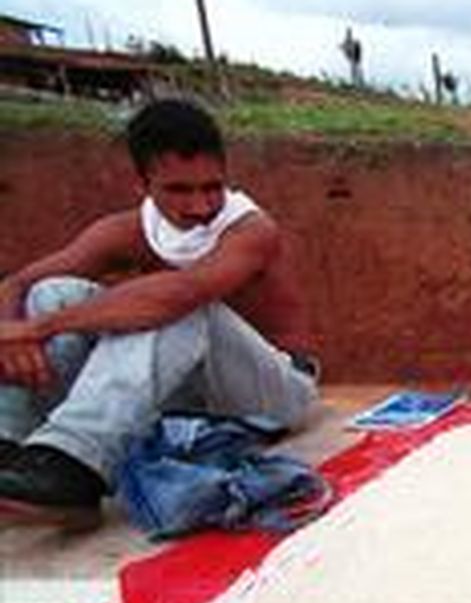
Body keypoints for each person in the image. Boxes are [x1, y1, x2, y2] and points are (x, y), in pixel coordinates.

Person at [0, 98, 318, 524]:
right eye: (179, 190)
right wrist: (11, 330)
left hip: (270, 394)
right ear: (142, 183)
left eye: (212, 187)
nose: (201, 206)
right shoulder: (125, 231)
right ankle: (18, 450)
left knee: (178, 305)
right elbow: (15, 284)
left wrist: (37, 329)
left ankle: (74, 465)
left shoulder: (250, 230)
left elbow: (182, 292)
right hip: (184, 392)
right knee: (51, 292)